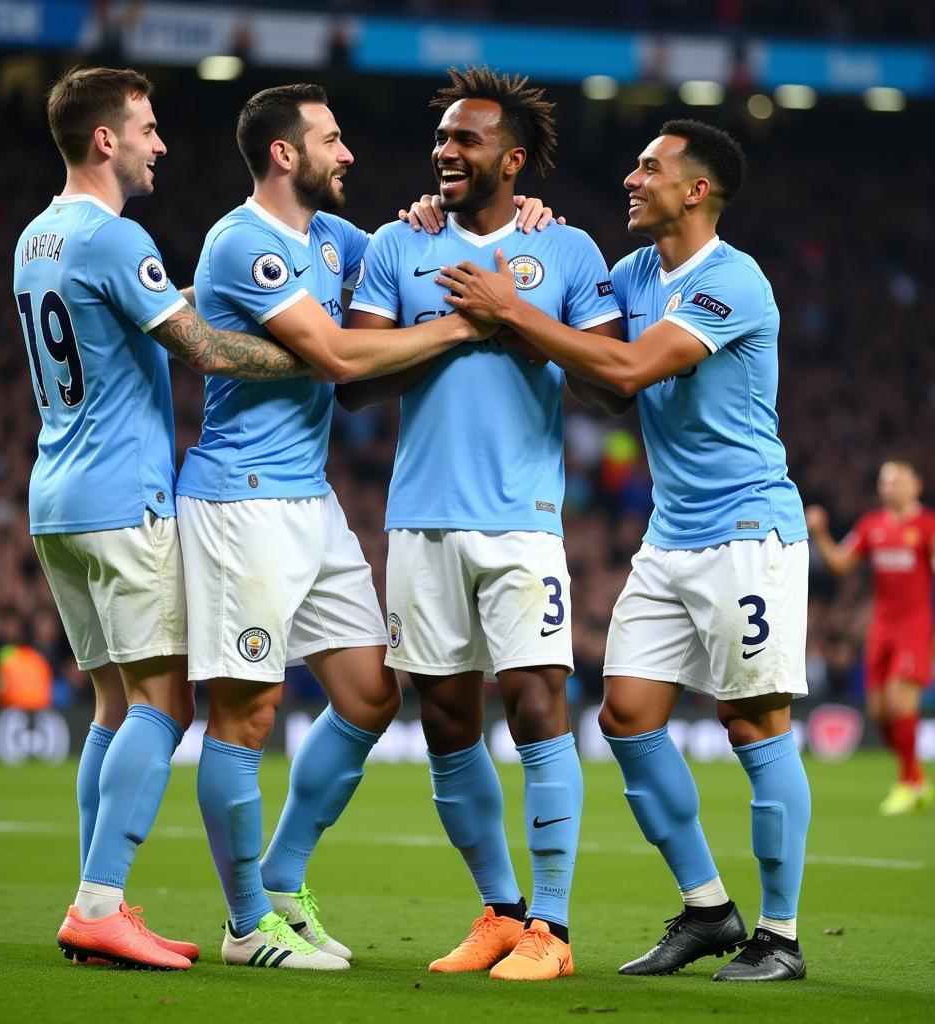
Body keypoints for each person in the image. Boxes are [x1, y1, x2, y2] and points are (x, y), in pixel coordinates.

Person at [175, 83, 550, 972]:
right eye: (331, 140)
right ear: (282, 154)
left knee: (374, 695)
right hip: (240, 500)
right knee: (247, 712)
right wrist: (467, 325)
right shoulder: (244, 243)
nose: (349, 155)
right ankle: (244, 927)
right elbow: (340, 357)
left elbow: (415, 242)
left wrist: (504, 213)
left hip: (311, 501)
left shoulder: (336, 239)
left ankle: (281, 878)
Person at [440, 119, 811, 983]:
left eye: (651, 167)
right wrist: (522, 227)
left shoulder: (735, 282)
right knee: (626, 718)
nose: (631, 178)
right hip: (671, 534)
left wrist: (515, 310)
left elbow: (632, 369)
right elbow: (587, 344)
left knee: (752, 721)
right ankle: (710, 910)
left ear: (697, 190)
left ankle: (783, 938)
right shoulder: (635, 272)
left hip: (749, 533)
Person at [15, 66, 311, 971]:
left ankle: (95, 896)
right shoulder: (114, 236)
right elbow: (201, 348)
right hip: (120, 497)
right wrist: (317, 356)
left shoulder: (36, 237)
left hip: (56, 496)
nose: (160, 142)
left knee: (113, 704)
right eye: (145, 127)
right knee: (165, 701)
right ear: (105, 139)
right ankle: (100, 904)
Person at [340, 66, 622, 982]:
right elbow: (357, 380)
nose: (445, 151)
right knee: (447, 717)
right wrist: (459, 329)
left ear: (517, 157)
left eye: (466, 140)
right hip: (419, 517)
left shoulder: (571, 252)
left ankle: (555, 928)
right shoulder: (398, 242)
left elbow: (606, 386)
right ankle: (501, 912)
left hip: (521, 519)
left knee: (538, 703)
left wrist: (515, 318)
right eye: (442, 139)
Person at [806, 460, 935, 814]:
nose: (889, 486)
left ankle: (910, 782)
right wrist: (820, 532)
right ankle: (916, 779)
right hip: (881, 628)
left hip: (914, 626)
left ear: (916, 485)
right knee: (878, 713)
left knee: (899, 703)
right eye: (884, 480)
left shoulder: (927, 527)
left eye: (897, 479)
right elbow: (840, 564)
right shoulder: (871, 525)